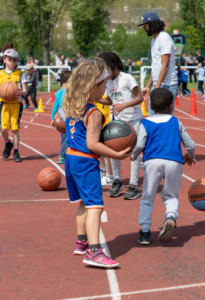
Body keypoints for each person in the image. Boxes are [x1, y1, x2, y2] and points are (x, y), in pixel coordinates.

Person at [63, 58, 130, 268]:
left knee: (83, 203)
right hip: (85, 161)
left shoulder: (73, 105)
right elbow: (92, 144)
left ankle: (81, 241)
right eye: (103, 84)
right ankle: (94, 251)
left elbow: (62, 125)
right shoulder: (93, 113)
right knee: (95, 206)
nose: (106, 88)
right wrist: (116, 154)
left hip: (70, 158)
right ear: (92, 86)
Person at [131, 88, 196, 245]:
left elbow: (140, 144)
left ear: (151, 105)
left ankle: (145, 232)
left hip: (152, 161)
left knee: (148, 196)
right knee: (171, 195)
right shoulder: (175, 121)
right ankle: (170, 217)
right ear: (171, 106)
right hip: (174, 161)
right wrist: (190, 156)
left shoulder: (145, 123)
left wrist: (133, 155)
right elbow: (191, 145)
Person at [99, 51, 144, 200]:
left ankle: (133, 185)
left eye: (105, 69)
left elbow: (140, 97)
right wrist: (94, 98)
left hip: (134, 120)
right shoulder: (108, 82)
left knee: (135, 152)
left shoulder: (127, 78)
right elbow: (110, 101)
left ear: (113, 66)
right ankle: (117, 181)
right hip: (118, 121)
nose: (104, 72)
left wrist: (124, 105)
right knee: (113, 149)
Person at [138, 11, 178, 115]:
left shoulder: (164, 38)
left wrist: (157, 87)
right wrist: (148, 86)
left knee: (162, 120)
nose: (144, 28)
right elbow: (156, 66)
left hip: (167, 85)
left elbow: (165, 65)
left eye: (145, 25)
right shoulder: (154, 40)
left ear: (152, 24)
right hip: (158, 85)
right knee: (153, 119)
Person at [0, 49, 27, 162]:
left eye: (14, 60)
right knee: (3, 129)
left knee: (15, 128)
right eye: (10, 60)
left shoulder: (20, 74)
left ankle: (16, 152)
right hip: (3, 104)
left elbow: (25, 90)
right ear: (4, 60)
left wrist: (21, 92)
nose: (12, 62)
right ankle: (8, 143)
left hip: (16, 104)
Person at [51, 70, 71, 164]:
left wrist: (52, 119)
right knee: (67, 137)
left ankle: (65, 154)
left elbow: (55, 107)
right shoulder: (69, 92)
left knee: (64, 137)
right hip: (67, 117)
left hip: (61, 117)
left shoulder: (58, 93)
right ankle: (62, 155)